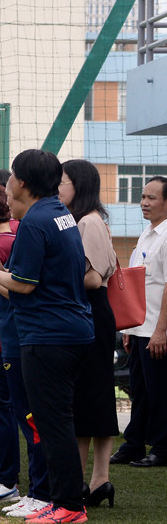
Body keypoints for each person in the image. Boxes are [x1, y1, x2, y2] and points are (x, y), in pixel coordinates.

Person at [0, 149, 95, 524]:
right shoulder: (59, 213)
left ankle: (68, 504)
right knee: (53, 422)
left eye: (10, 178)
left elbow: (22, 285)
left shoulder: (36, 220)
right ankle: (58, 499)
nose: (6, 186)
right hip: (68, 330)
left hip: (49, 336)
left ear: (21, 181)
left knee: (51, 423)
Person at [59, 159, 120, 505]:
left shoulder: (88, 222)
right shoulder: (81, 221)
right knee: (91, 394)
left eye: (63, 182)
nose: (57, 189)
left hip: (91, 313)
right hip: (86, 313)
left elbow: (93, 278)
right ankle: (95, 481)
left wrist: (50, 280)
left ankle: (95, 479)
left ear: (78, 186)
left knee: (91, 395)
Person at [117, 176, 167, 469]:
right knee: (140, 390)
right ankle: (134, 444)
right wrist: (128, 326)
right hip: (139, 327)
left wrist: (161, 330)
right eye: (143, 196)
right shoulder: (147, 233)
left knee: (159, 391)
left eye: (151, 198)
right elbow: (137, 282)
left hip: (156, 330)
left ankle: (162, 447)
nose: (144, 203)